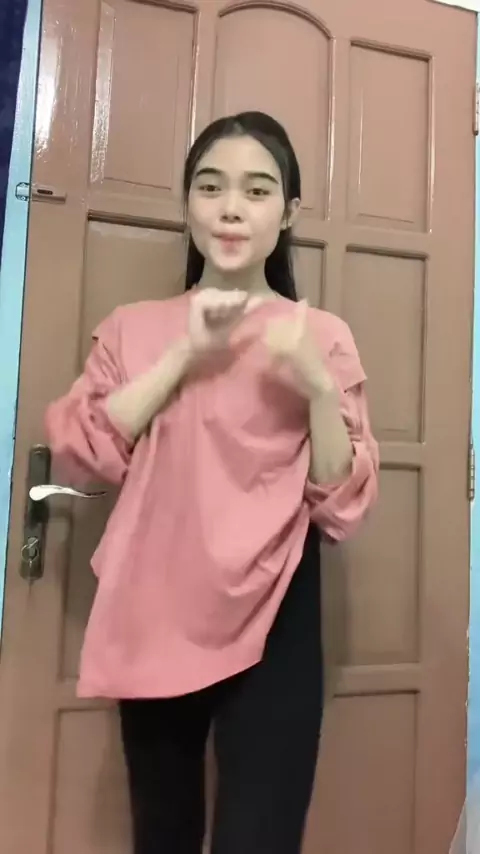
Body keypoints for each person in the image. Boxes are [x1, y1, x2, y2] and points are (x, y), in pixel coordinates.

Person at [46, 111, 379, 854]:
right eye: (211, 186)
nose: (232, 208)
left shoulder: (320, 335)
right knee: (162, 832)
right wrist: (182, 358)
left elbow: (341, 505)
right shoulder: (133, 328)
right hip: (154, 600)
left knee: (260, 837)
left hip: (279, 609)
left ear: (288, 212)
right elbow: (80, 452)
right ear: (188, 203)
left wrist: (317, 388)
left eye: (257, 190)